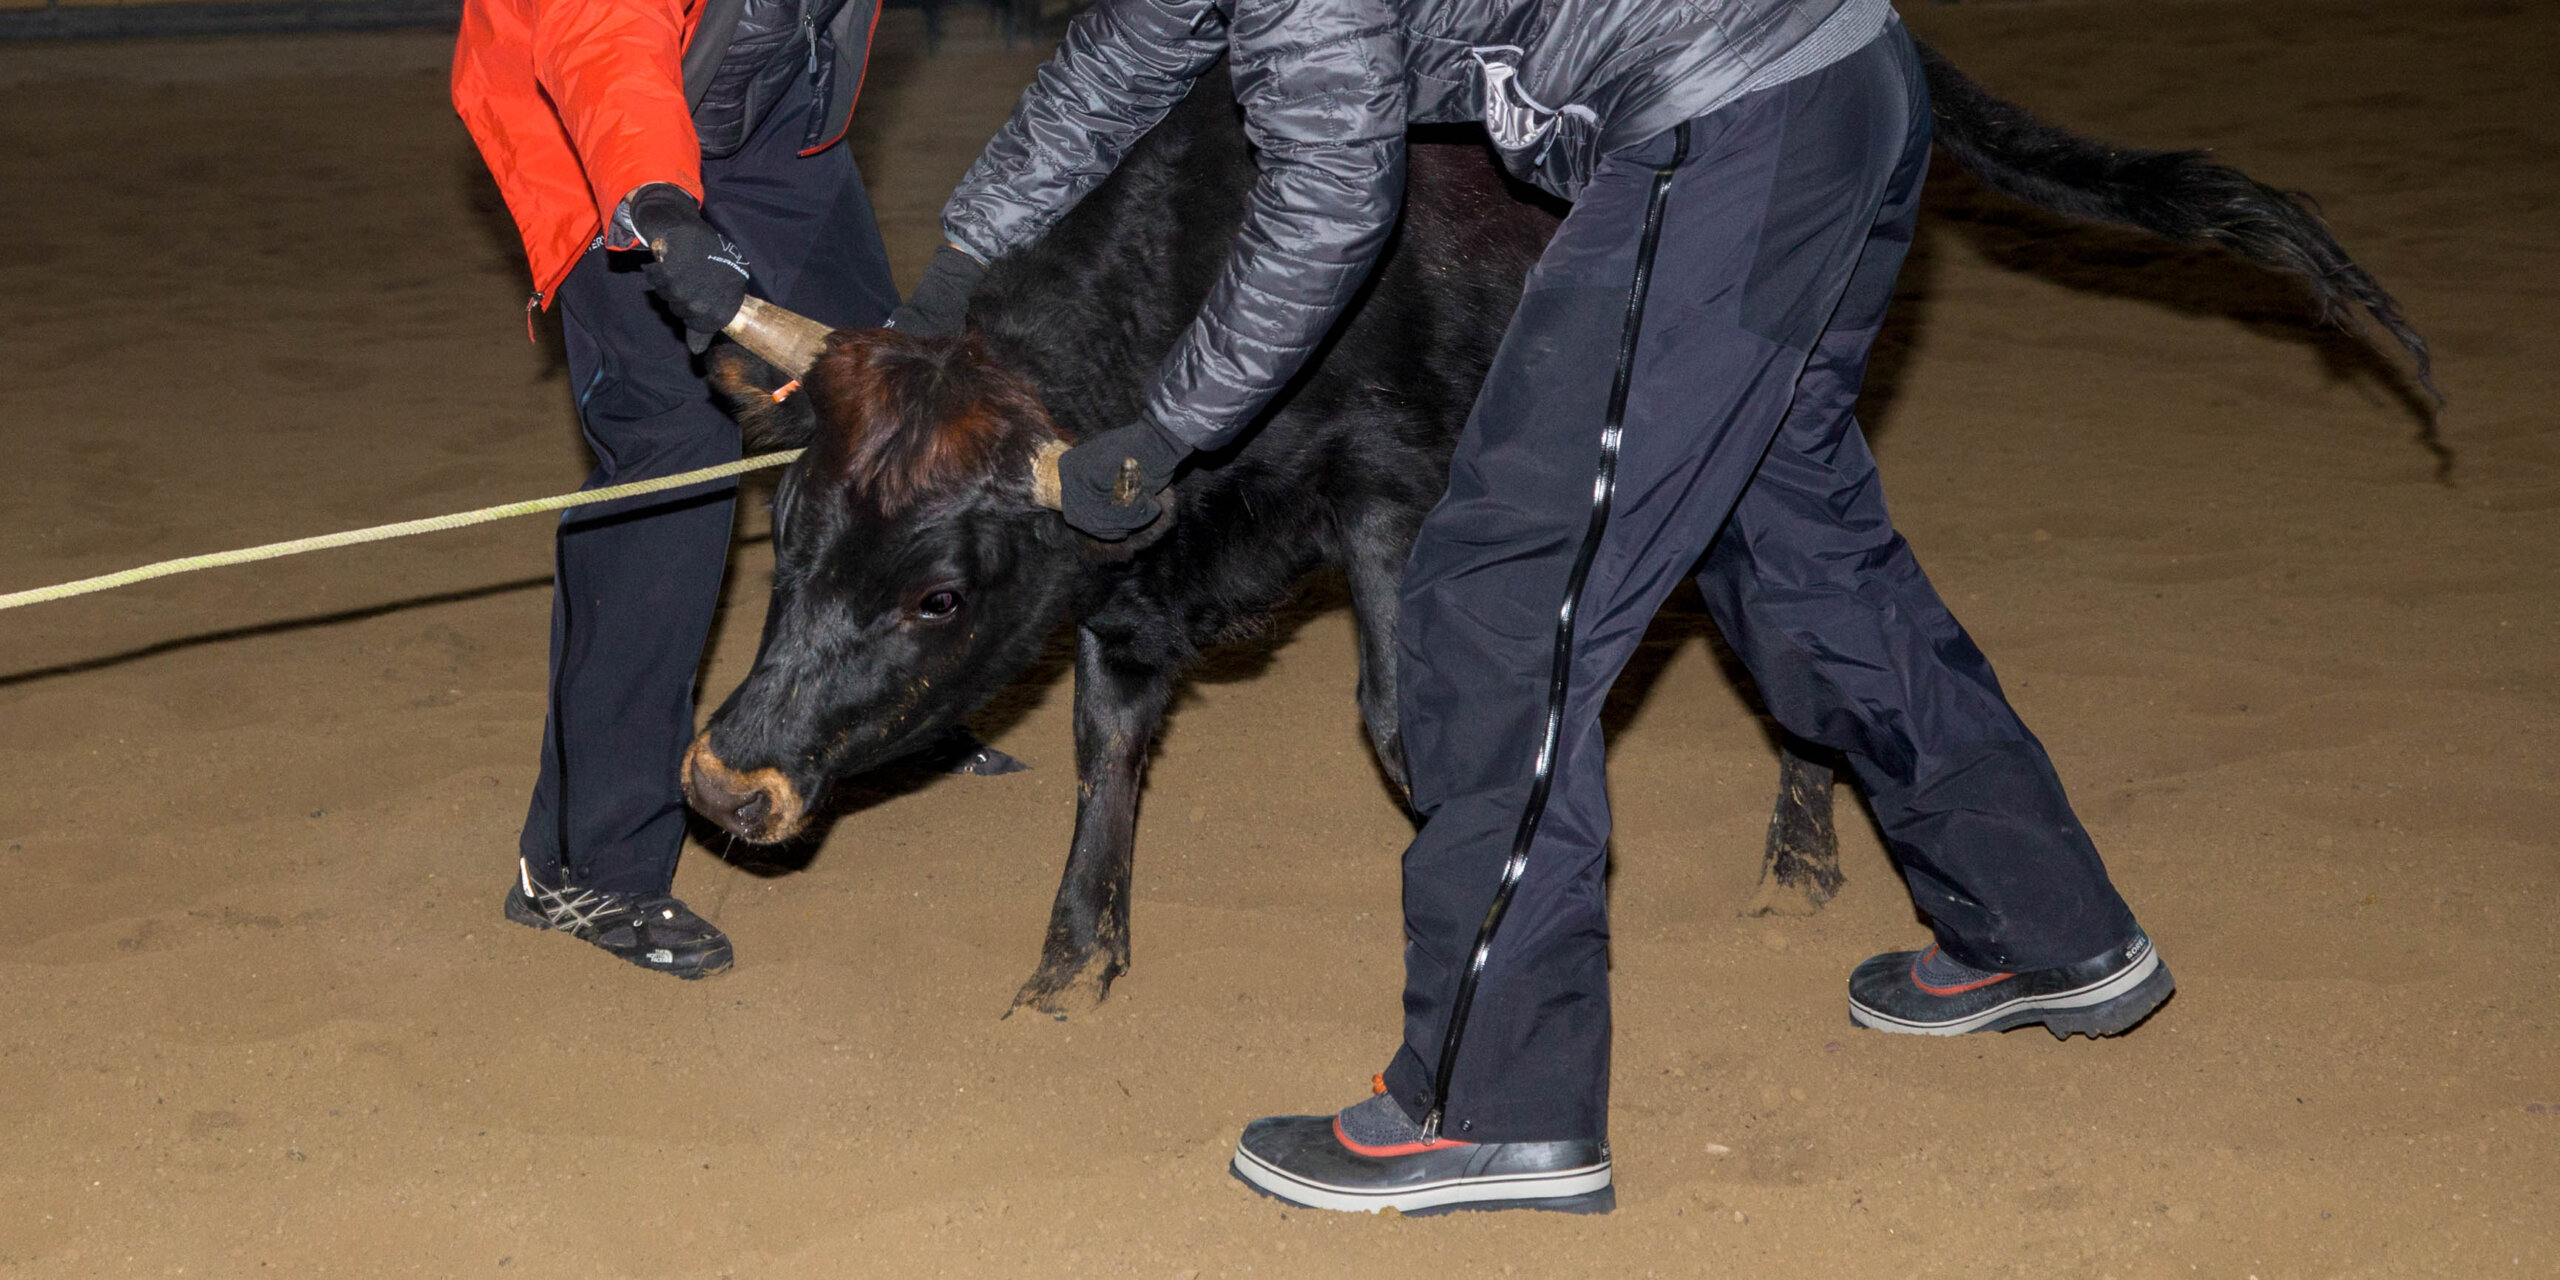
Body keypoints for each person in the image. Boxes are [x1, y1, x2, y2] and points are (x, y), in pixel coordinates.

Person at [902, 0, 2178, 1216]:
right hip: (1841, 81)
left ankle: (1490, 1100)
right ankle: (2042, 923)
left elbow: (1333, 199)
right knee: (1799, 542)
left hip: (1722, 126)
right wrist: (949, 282)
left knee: (1498, 595)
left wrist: (1168, 430)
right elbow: (1118, 61)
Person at [452, 0, 901, 978]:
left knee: (886, 394)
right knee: (674, 456)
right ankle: (584, 862)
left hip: (778, 109)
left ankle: (883, 710)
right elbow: (602, 42)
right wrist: (659, 204)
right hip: (593, 122)